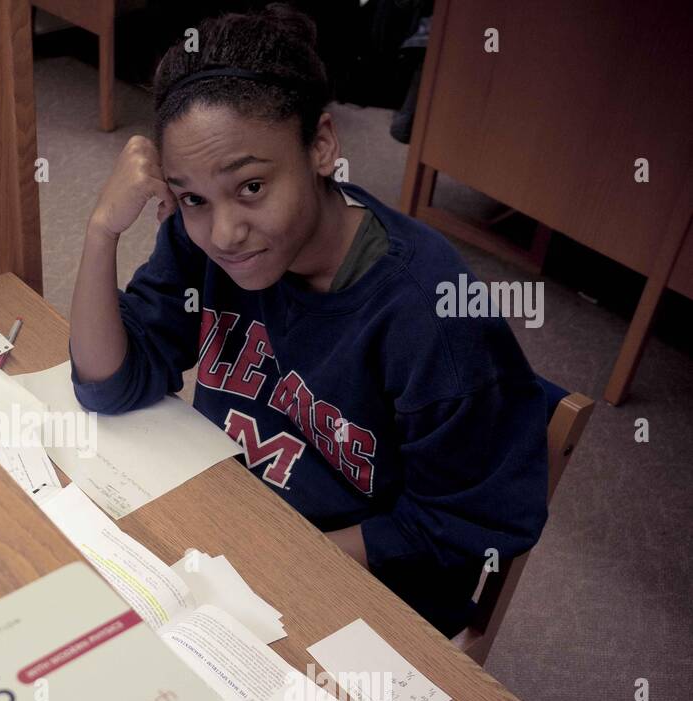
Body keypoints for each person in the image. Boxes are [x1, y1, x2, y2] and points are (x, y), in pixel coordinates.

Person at [67, 4, 548, 638]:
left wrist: (270, 563)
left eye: (252, 188)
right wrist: (102, 230)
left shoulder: (428, 314)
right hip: (235, 529)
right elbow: (108, 382)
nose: (225, 232)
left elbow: (460, 525)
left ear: (321, 145)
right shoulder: (203, 239)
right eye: (192, 199)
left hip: (363, 594)